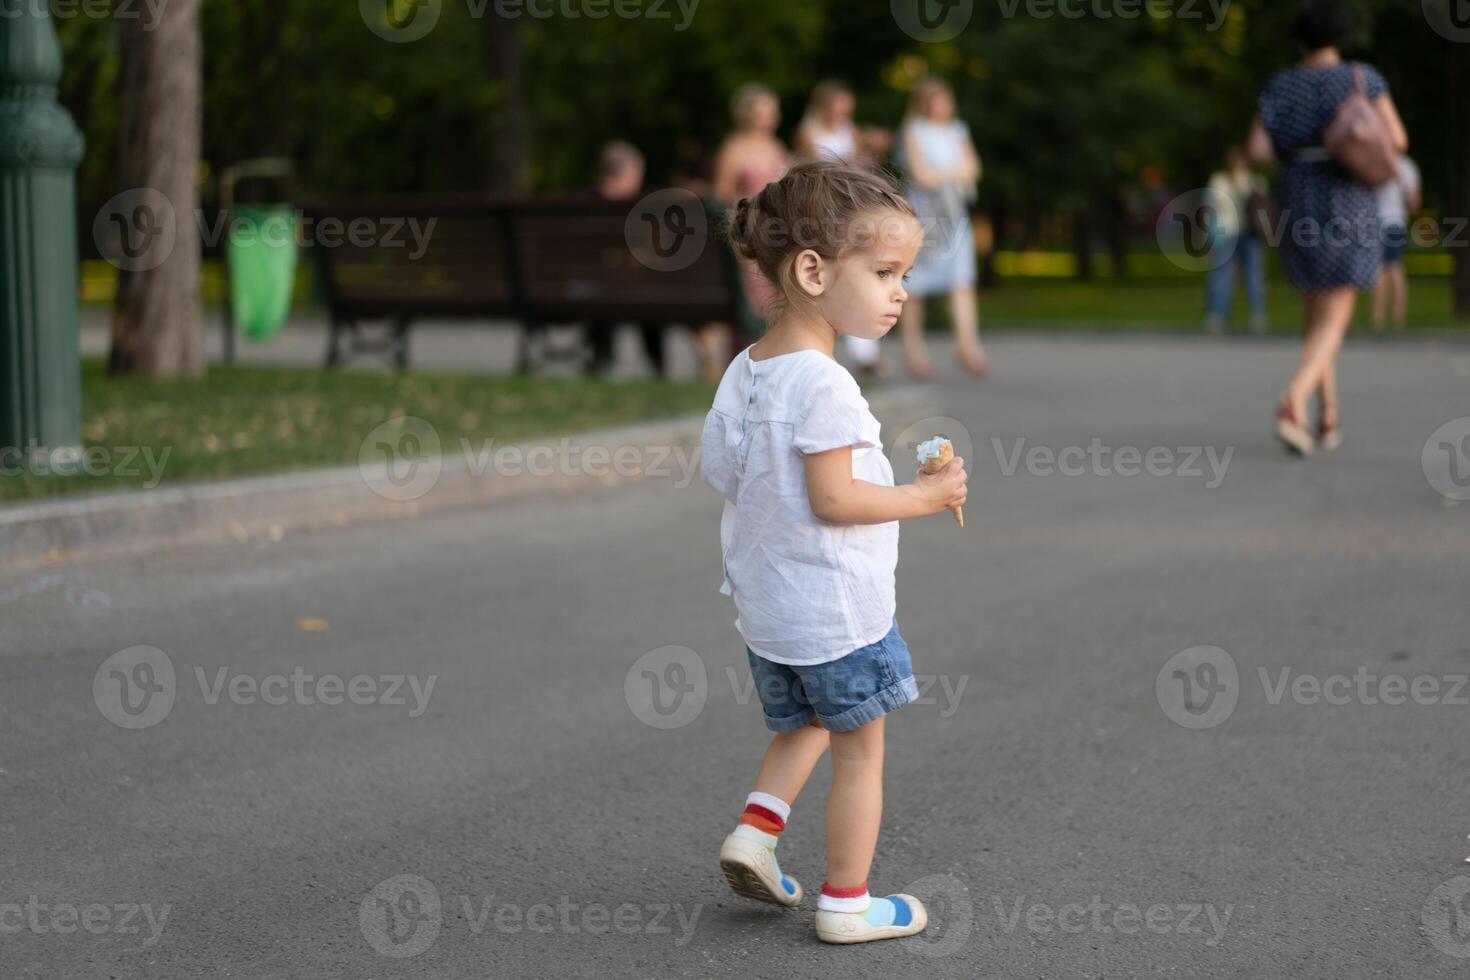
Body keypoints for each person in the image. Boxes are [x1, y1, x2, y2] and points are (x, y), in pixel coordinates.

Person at [700, 161, 967, 945]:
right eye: (885, 272)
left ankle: (756, 831)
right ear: (812, 270)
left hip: (769, 609)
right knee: (860, 750)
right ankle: (848, 902)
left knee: (809, 720)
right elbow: (836, 499)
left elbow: (728, 473)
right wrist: (926, 496)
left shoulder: (747, 370)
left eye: (906, 274)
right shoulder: (826, 384)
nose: (901, 292)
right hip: (835, 609)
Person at [1248, 0, 1408, 455]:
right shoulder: (1361, 79)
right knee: (1338, 308)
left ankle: (1328, 414)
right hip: (1347, 196)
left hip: (1296, 196)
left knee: (1314, 309)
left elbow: (1258, 149)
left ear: (1299, 39)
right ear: (1338, 36)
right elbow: (1396, 139)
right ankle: (1294, 400)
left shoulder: (1280, 84)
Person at [795, 79, 896, 378]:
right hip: (821, 213)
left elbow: (862, 167)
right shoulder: (808, 132)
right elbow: (818, 171)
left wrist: (874, 150)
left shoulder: (848, 130)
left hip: (846, 213)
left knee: (852, 274)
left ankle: (864, 350)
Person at [894, 77, 988, 380]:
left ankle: (967, 344)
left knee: (961, 281)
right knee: (915, 285)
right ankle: (913, 351)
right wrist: (953, 173)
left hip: (954, 216)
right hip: (926, 218)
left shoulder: (957, 129)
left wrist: (944, 174)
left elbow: (973, 168)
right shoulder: (913, 130)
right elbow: (922, 176)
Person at [706, 84, 789, 383]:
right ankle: (754, 361)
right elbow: (721, 196)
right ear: (747, 113)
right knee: (756, 288)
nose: (767, 117)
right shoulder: (735, 148)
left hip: (778, 233)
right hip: (748, 234)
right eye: (761, 110)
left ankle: (777, 361)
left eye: (771, 110)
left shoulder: (775, 146)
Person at [585, 141, 666, 377]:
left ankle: (601, 358)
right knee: (647, 295)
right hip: (632, 292)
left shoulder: (583, 205)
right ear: (629, 172)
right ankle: (656, 364)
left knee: (611, 291)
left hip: (585, 291)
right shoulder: (639, 209)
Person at [1203, 147, 1269, 336]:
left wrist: (1207, 239)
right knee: (1253, 277)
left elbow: (1208, 210)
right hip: (1246, 233)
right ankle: (1256, 317)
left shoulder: (1219, 181)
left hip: (1227, 232)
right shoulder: (1255, 181)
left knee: (1223, 276)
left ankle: (1216, 317)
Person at [1371, 153, 1421, 331]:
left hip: (1376, 222)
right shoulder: (1407, 166)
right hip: (1396, 222)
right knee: (1395, 268)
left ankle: (1378, 320)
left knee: (1379, 270)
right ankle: (1398, 318)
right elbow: (1414, 203)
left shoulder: (1375, 160)